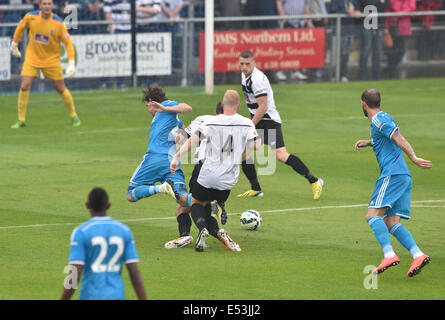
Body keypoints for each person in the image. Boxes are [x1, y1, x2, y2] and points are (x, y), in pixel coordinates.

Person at [354, 89, 432, 277]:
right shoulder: (381, 119)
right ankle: (418, 254)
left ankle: (389, 255)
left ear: (363, 103)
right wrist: (369, 142)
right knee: (391, 222)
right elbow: (385, 138)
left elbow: (398, 137)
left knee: (372, 215)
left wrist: (413, 157)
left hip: (393, 175)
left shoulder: (379, 119)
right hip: (402, 176)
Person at [170, 90, 258, 252]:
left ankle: (202, 229)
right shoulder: (247, 123)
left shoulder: (210, 122)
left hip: (207, 173)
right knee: (207, 205)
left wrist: (176, 157)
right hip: (228, 180)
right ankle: (218, 230)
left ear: (222, 104)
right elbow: (256, 146)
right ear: (239, 105)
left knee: (196, 203)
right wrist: (236, 159)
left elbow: (191, 140)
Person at [238, 50, 324, 200]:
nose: (244, 67)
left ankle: (315, 181)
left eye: (247, 64)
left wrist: (250, 125)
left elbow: (263, 107)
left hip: (268, 121)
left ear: (254, 62)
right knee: (244, 154)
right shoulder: (244, 76)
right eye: (241, 64)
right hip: (258, 120)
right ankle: (256, 189)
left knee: (282, 156)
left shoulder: (257, 79)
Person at [126, 84, 195, 249]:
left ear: (151, 101)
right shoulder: (172, 118)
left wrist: (164, 107)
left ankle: (162, 188)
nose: (148, 109)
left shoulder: (168, 107)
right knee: (183, 200)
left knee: (130, 194)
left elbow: (187, 108)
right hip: (172, 162)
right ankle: (205, 204)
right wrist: (180, 137)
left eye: (147, 105)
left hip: (155, 159)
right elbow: (185, 136)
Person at [61, 187, 147, 300]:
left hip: (90, 296)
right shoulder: (124, 231)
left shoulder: (81, 232)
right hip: (117, 296)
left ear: (87, 205)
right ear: (108, 205)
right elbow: (134, 272)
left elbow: (75, 273)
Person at [9, 0, 81, 128]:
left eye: (49, 4)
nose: (47, 6)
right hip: (32, 59)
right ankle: (21, 119)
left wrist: (71, 63)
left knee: (60, 88)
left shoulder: (59, 23)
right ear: (40, 5)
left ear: (52, 6)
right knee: (24, 85)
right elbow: (20, 28)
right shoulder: (30, 17)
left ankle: (74, 115)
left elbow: (69, 44)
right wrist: (14, 44)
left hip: (51, 61)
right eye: (44, 4)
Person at [275, 0, 310, 81]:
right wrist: (283, 18)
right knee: (283, 48)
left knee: (297, 48)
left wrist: (304, 18)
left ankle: (295, 70)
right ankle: (279, 70)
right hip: (286, 22)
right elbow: (279, 2)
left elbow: (306, 4)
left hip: (299, 23)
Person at [329, 0, 361, 82]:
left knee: (346, 54)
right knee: (338, 54)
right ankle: (334, 74)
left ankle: (343, 74)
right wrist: (345, 11)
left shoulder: (353, 1)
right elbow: (332, 10)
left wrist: (357, 12)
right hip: (339, 31)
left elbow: (357, 9)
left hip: (350, 31)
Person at [383, 0, 416, 79]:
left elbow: (411, 9)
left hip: (404, 28)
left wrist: (398, 13)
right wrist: (386, 27)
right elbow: (388, 11)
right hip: (392, 27)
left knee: (402, 51)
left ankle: (389, 69)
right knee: (392, 51)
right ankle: (391, 71)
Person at [358, 0, 389, 80]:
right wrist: (379, 2)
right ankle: (362, 74)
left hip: (379, 25)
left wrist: (377, 4)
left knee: (378, 50)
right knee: (366, 49)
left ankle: (376, 74)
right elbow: (367, 5)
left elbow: (386, 5)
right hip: (367, 24)